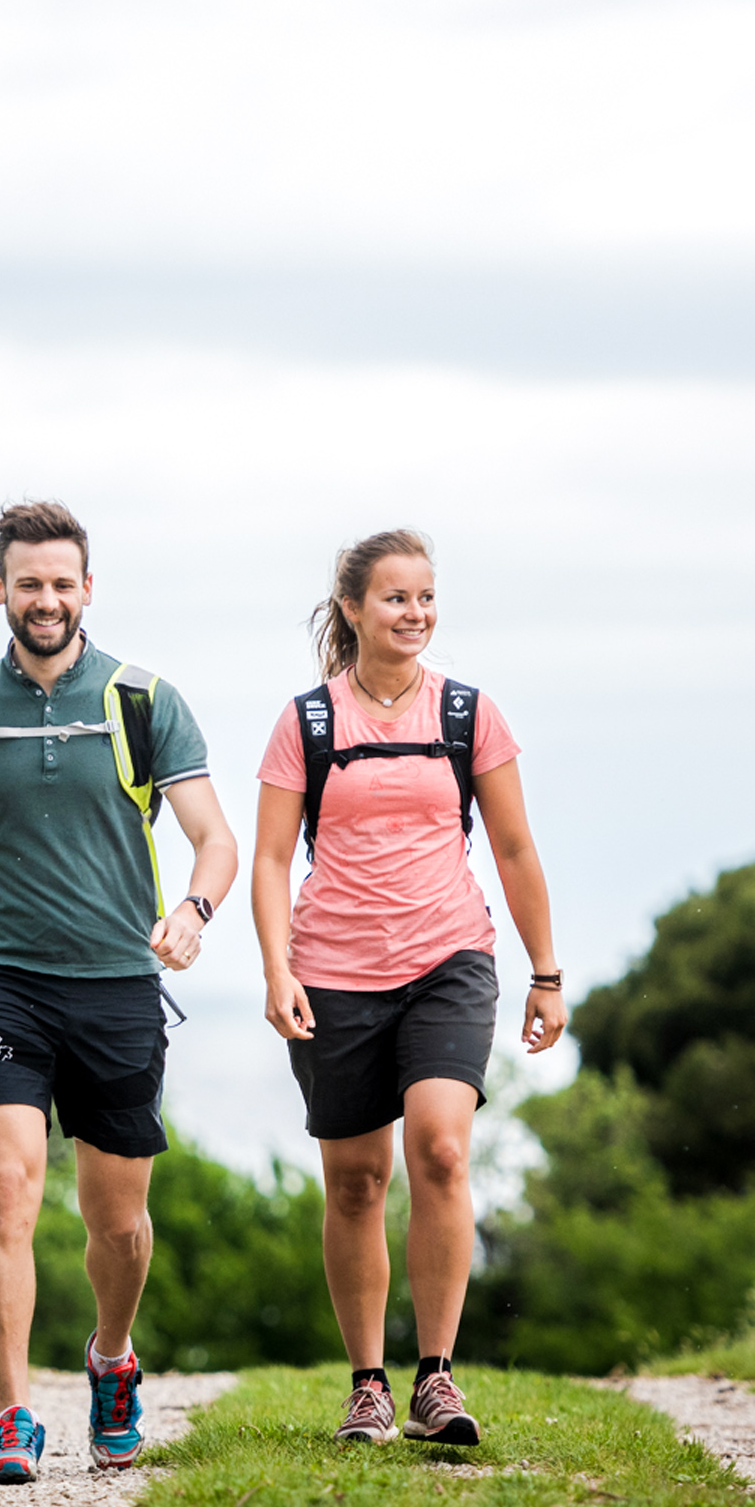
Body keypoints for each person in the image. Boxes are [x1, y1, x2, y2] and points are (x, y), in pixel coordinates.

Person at [0, 501, 238, 1484]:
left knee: (116, 1221)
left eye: (61, 583)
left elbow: (215, 837)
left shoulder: (143, 701)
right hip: (3, 986)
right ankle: (11, 1416)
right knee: (5, 1190)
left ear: (88, 589)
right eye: (27, 583)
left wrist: (195, 912)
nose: (45, 600)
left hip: (119, 987)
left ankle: (111, 1358)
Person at [251, 529, 563, 1447]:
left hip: (450, 961)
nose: (415, 614)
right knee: (355, 1183)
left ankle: (436, 1379)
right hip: (333, 973)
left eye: (425, 598)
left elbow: (512, 848)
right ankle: (366, 1385)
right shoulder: (307, 723)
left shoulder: (468, 715)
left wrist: (546, 972)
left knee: (441, 1151)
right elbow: (271, 859)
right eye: (395, 598)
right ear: (352, 609)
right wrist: (277, 970)